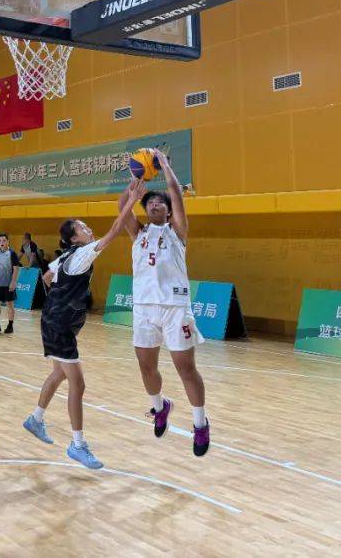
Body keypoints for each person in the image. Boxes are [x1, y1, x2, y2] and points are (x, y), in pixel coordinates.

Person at [22, 180, 147, 469]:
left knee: (59, 373)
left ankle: (36, 419)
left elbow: (47, 278)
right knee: (77, 383)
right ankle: (77, 445)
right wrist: (132, 201)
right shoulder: (81, 253)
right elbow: (115, 231)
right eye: (82, 227)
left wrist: (62, 296)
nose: (88, 228)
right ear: (74, 237)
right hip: (60, 325)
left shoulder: (64, 257)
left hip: (54, 320)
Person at [117, 149, 210, 456]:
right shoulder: (138, 232)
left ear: (169, 211)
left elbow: (176, 194)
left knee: (186, 368)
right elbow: (121, 205)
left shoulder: (177, 232)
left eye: (160, 202)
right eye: (150, 202)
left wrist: (166, 165)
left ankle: (200, 424)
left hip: (175, 308)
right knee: (146, 367)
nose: (154, 204)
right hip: (144, 308)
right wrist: (136, 178)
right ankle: (159, 407)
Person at [0, 233, 21, 334]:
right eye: (0, 241)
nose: (2, 242)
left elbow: (16, 269)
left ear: (8, 242)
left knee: (10, 304)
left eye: (4, 240)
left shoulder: (12, 254)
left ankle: (10, 326)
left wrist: (13, 282)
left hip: (8, 284)